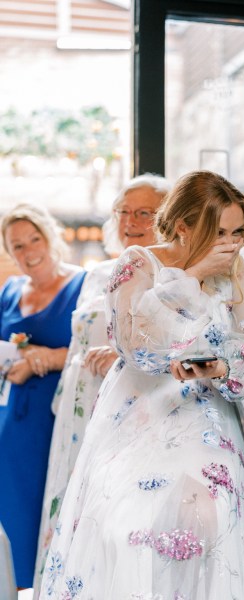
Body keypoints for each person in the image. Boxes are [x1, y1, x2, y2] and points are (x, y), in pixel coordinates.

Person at [40, 171, 244, 599]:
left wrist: (219, 363)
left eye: (237, 232)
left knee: (209, 519)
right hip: (140, 412)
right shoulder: (138, 263)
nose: (231, 243)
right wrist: (193, 274)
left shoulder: (234, 267)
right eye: (219, 232)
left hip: (206, 415)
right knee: (130, 525)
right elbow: (133, 342)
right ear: (183, 225)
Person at [33, 174, 170, 595]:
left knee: (116, 514)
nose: (130, 220)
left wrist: (125, 357)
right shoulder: (99, 274)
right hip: (80, 404)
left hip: (131, 407)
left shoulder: (171, 274)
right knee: (72, 501)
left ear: (167, 219)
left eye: (144, 212)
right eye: (123, 212)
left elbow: (173, 344)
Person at [0, 202, 86, 590]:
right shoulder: (10, 290)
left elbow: (101, 348)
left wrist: (46, 359)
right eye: (17, 245)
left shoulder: (84, 285)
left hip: (57, 417)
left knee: (47, 510)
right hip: (10, 418)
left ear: (51, 236)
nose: (28, 250)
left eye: (34, 239)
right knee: (11, 511)